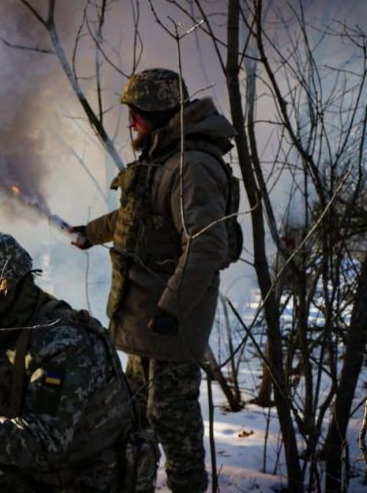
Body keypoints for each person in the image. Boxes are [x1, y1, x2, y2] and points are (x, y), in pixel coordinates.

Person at [71, 68, 237, 492]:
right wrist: (89, 234)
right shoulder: (163, 160)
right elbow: (135, 219)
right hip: (144, 324)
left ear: (160, 115)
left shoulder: (192, 167)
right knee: (132, 419)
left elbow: (206, 246)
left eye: (138, 115)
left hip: (168, 325)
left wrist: (170, 310)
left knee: (173, 424)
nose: (131, 124)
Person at [0, 229, 132, 492]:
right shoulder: (0, 327)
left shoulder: (64, 343)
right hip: (38, 471)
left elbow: (45, 443)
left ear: (4, 291)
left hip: (83, 478)